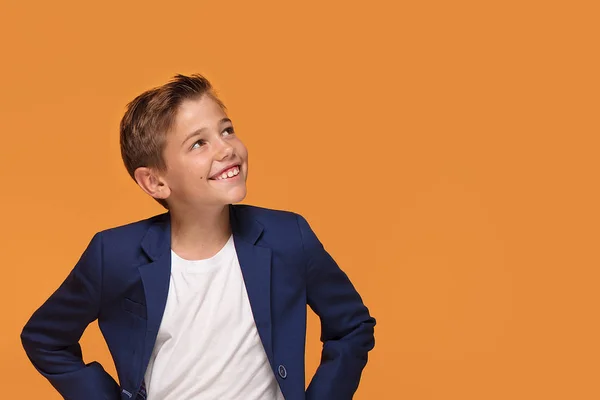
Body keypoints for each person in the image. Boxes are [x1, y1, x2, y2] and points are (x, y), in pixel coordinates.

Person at [20, 73, 376, 400]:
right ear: (155, 181)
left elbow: (353, 326)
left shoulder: (287, 237)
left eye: (226, 130)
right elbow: (45, 338)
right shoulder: (114, 255)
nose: (226, 149)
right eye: (198, 144)